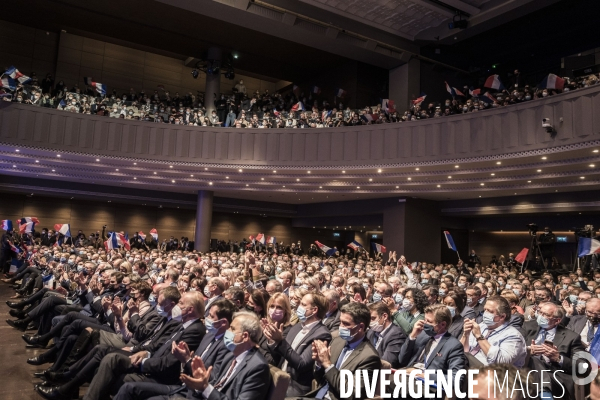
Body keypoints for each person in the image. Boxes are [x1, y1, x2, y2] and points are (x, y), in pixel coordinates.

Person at [176, 311, 272, 400]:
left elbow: (209, 389)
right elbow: (214, 386)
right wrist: (200, 383)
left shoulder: (258, 367)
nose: (228, 330)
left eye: (232, 328)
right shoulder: (230, 356)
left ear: (245, 336)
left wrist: (205, 387)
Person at [294, 302, 382, 400]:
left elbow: (352, 393)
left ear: (361, 327)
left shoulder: (369, 357)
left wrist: (327, 364)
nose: (341, 327)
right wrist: (319, 364)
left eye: (346, 324)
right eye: (340, 322)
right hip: (318, 395)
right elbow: (321, 379)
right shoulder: (336, 339)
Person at [265, 292, 331, 396]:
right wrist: (272, 341)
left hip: (296, 387)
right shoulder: (296, 327)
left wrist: (280, 341)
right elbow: (280, 358)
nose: (299, 307)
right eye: (300, 303)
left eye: (303, 305)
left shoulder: (322, 334)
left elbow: (302, 364)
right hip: (279, 378)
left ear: (314, 310)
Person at [520, 301, 585, 400]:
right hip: (525, 369)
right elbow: (514, 349)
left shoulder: (571, 337)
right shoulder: (527, 327)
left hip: (554, 375)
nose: (540, 316)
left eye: (545, 314)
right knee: (533, 362)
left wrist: (558, 358)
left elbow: (582, 366)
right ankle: (544, 393)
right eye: (540, 312)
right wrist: (528, 351)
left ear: (557, 321)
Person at [397, 304, 467, 395]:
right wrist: (412, 336)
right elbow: (402, 360)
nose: (424, 323)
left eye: (429, 321)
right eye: (424, 319)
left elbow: (457, 380)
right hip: (408, 374)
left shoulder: (454, 346)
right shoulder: (421, 334)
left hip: (427, 386)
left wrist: (424, 375)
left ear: (442, 324)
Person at [460, 295, 527, 368]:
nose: (485, 313)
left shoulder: (514, 336)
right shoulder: (482, 326)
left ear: (502, 317)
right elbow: (462, 351)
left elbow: (501, 363)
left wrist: (479, 337)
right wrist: (465, 335)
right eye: (485, 309)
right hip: (468, 367)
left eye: (490, 311)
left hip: (492, 375)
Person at [366, 302, 407, 368]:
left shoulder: (396, 335)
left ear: (385, 316)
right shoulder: (371, 332)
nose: (370, 322)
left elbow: (387, 362)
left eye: (373, 318)